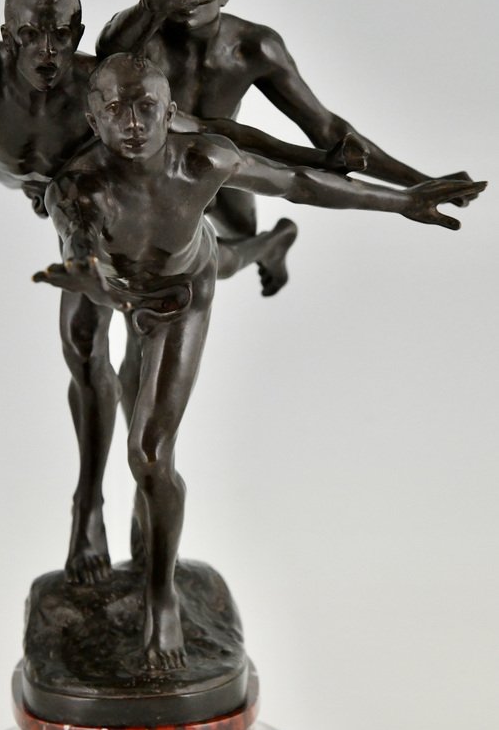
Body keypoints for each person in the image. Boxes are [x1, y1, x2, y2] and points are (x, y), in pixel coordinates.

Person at [0, 0, 363, 584]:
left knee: (166, 297)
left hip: (111, 206)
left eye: (61, 35)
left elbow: (219, 133)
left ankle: (261, 247)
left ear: (80, 34)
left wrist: (320, 157)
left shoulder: (101, 85)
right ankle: (88, 504)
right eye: (30, 36)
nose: (47, 50)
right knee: (91, 349)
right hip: (65, 208)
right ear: (7, 36)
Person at [35, 53, 484, 670]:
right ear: (93, 119)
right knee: (130, 350)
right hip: (128, 290)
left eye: (146, 107)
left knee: (150, 455)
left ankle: (161, 596)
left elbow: (298, 183)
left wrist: (402, 200)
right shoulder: (75, 189)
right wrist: (95, 283)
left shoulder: (203, 160)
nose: (133, 123)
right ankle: (271, 243)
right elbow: (80, 253)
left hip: (184, 291)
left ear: (171, 111)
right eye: (115, 109)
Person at [96, 0, 476, 296]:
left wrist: (418, 181)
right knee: (192, 261)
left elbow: (326, 128)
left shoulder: (253, 48)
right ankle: (263, 247)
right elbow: (107, 53)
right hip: (154, 167)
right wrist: (149, 9)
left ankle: (271, 243)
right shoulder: (138, 40)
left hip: (222, 157)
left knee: (241, 236)